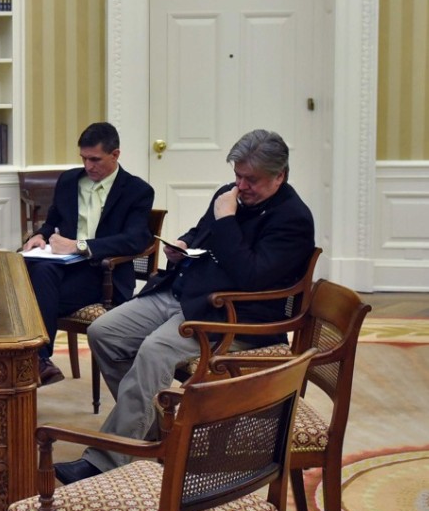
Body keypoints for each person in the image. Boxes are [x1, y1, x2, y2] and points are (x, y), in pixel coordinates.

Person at [53, 129, 316, 484]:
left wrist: (226, 220)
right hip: (185, 293)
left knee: (154, 352)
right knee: (105, 332)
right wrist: (183, 243)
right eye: (237, 175)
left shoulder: (293, 219)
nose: (240, 185)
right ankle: (150, 434)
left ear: (279, 176)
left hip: (232, 315)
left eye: (251, 179)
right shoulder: (230, 194)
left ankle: (107, 459)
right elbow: (202, 232)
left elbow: (250, 275)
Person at [21, 122, 154, 386]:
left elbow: (137, 239)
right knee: (33, 274)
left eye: (95, 159)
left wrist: (81, 246)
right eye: (84, 158)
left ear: (115, 155)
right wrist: (38, 236)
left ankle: (35, 361)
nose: (88, 166)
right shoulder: (70, 180)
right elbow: (52, 221)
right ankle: (40, 362)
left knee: (31, 295)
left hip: (104, 273)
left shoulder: (137, 190)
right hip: (64, 268)